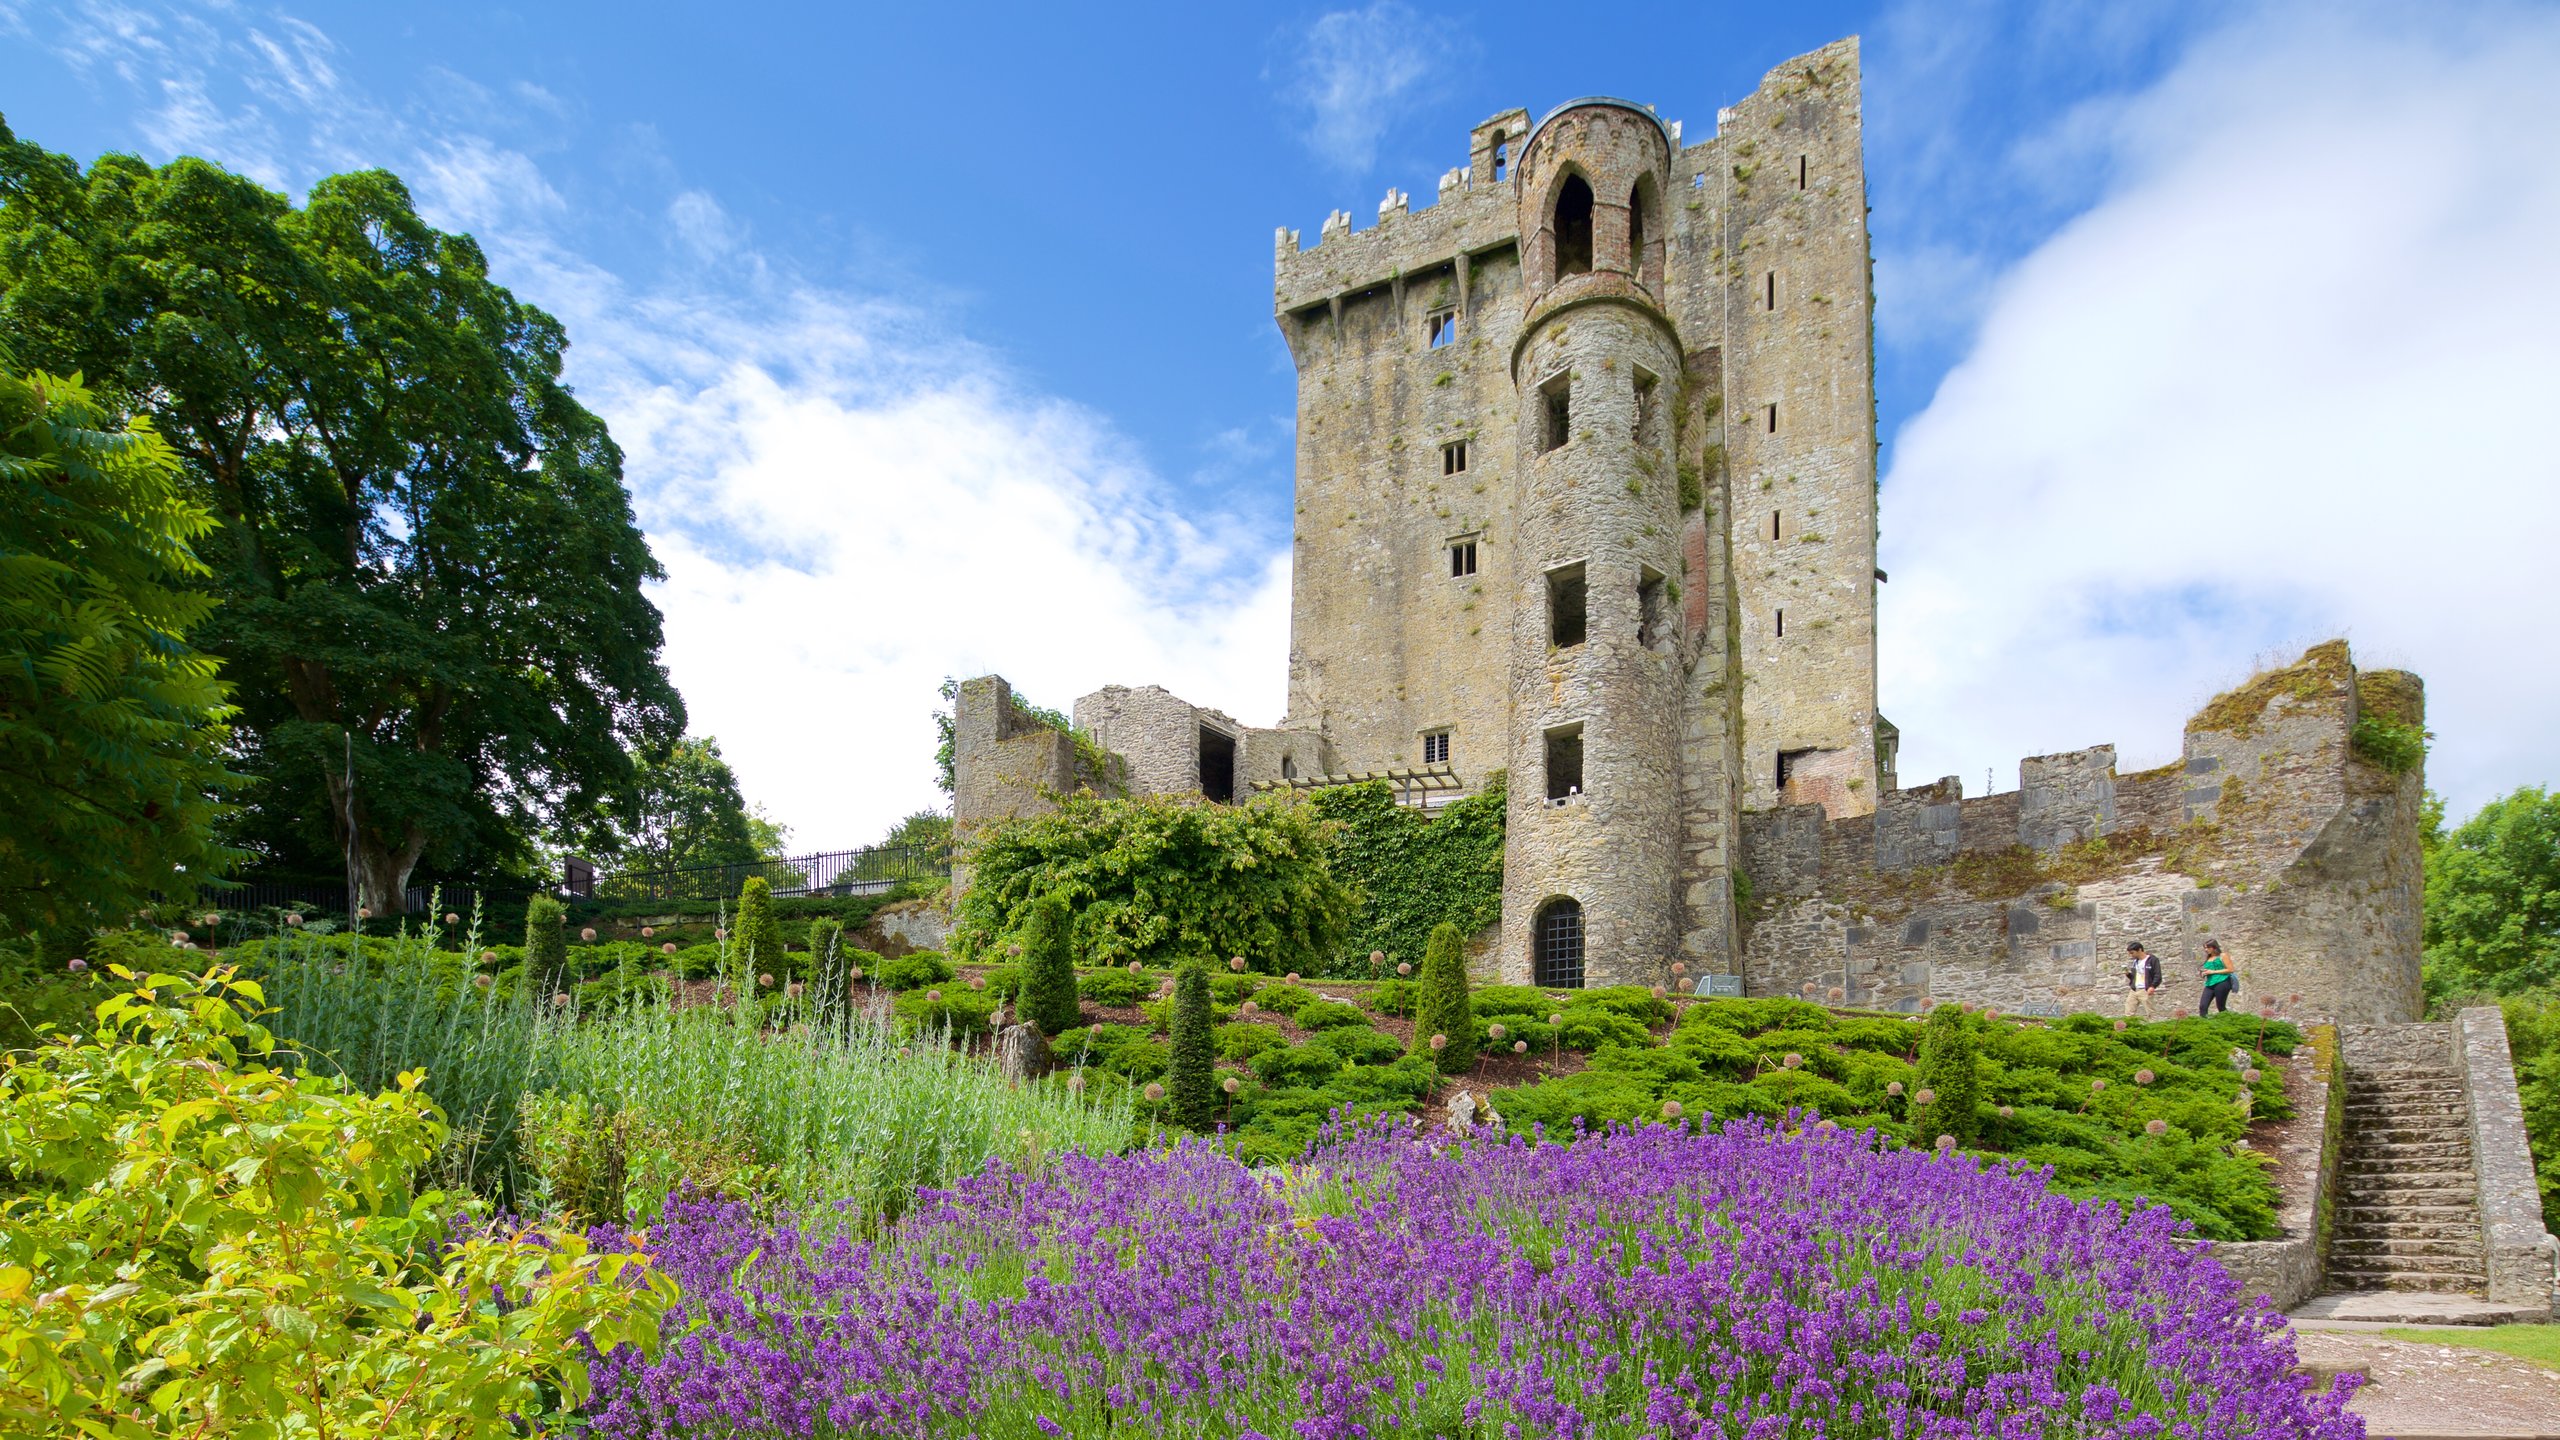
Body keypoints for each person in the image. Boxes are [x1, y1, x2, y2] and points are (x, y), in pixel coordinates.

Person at [2122, 941, 2162, 1018]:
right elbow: (2134, 977)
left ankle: (2153, 1027)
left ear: (2139, 950)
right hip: (2134, 989)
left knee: (2151, 1013)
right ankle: (2130, 1028)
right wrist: (2128, 974)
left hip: (2145, 989)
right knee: (2128, 1012)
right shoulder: (2135, 962)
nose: (2131, 955)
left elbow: (2158, 975)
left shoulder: (2152, 960)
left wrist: (2153, 986)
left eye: (2132, 953)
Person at [2198, 939, 2236, 1015]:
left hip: (2222, 982)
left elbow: (2231, 969)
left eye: (2208, 948)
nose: (2206, 950)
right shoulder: (2208, 958)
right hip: (2210, 984)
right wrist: (2203, 973)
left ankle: (2228, 1023)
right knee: (2203, 1006)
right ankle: (2204, 1024)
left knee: (2221, 1007)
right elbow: (2208, 970)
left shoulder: (2223, 955)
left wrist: (2213, 972)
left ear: (2214, 947)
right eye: (2205, 948)